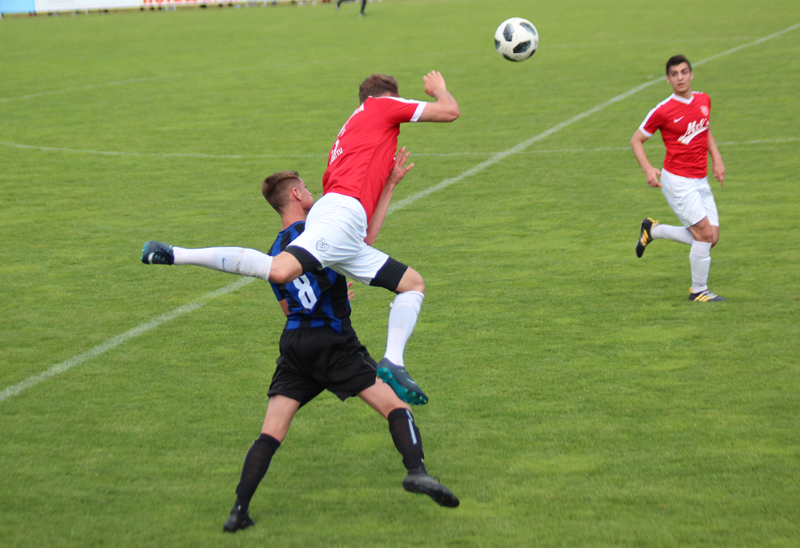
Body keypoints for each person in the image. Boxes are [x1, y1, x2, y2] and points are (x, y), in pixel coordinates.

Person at [141, 153, 459, 533]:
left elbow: (288, 307)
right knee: (395, 405)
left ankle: (238, 511)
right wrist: (388, 185)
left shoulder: (275, 251)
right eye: (306, 187)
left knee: (270, 433)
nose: (312, 192)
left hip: (295, 344)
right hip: (333, 342)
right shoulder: (322, 234)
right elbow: (365, 243)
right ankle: (417, 471)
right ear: (295, 194)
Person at [145, 71, 459, 405]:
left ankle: (393, 362)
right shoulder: (381, 105)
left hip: (341, 220)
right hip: (340, 214)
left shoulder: (356, 127)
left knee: (412, 284)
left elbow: (364, 239)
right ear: (390, 97)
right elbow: (449, 111)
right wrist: (438, 89)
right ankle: (175, 253)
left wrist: (390, 184)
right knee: (279, 270)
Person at [631, 54, 727, 302]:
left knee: (711, 238)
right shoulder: (662, 110)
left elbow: (705, 129)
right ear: (668, 79)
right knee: (703, 234)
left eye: (684, 72)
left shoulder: (704, 100)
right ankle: (699, 291)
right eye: (674, 74)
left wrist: (716, 158)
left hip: (700, 179)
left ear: (691, 74)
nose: (680, 78)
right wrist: (648, 169)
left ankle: (653, 230)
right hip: (678, 181)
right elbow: (636, 140)